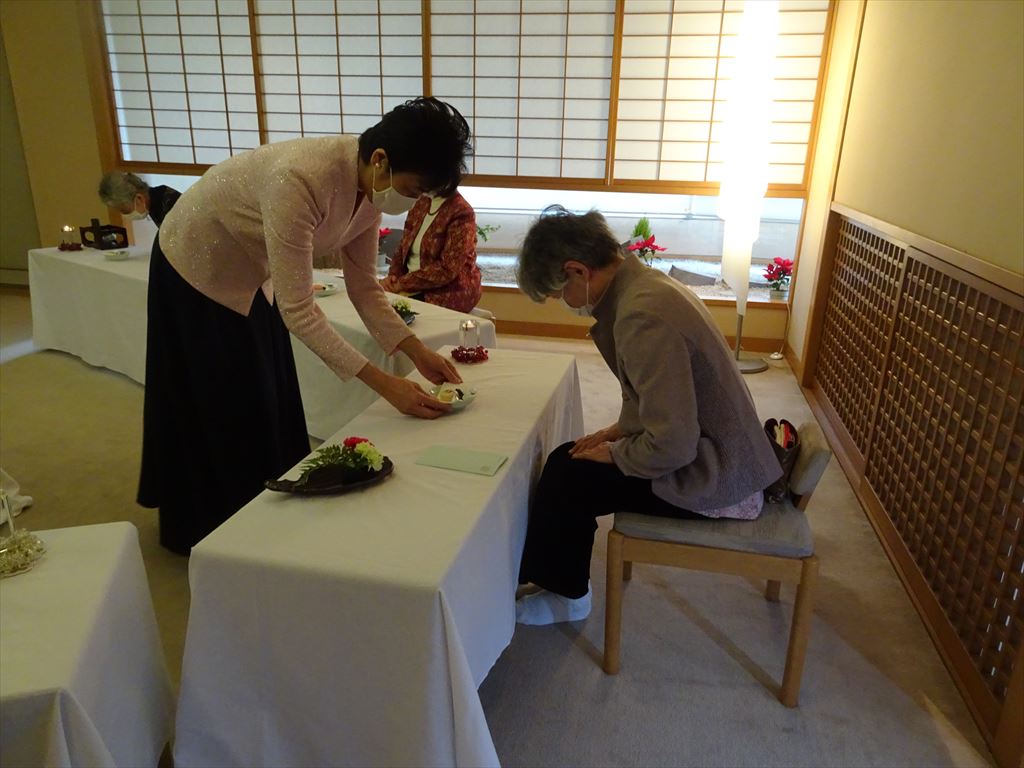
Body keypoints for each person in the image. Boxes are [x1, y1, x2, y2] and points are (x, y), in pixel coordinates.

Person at [141, 97, 472, 555]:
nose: (413, 202)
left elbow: (365, 288)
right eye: (413, 190)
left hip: (252, 271)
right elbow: (298, 311)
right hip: (195, 266)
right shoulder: (299, 179)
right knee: (221, 399)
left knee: (267, 392)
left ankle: (268, 507)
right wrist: (386, 386)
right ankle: (217, 532)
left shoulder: (371, 192)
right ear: (381, 160)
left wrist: (416, 351)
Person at [513, 206, 783, 625]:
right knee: (572, 455)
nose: (561, 303)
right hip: (728, 454)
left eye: (557, 293)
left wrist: (617, 453)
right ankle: (554, 579)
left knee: (568, 477)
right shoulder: (646, 285)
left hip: (721, 477)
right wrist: (616, 432)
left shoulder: (641, 315)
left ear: (577, 271)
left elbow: (673, 444)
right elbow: (661, 399)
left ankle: (567, 598)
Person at [379, 191, 481, 313]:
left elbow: (448, 268)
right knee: (372, 302)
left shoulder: (462, 212)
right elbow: (403, 246)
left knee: (389, 313)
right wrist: (393, 278)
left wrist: (402, 283)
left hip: (447, 290)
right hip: (409, 284)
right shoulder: (420, 202)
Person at [98, 171, 180, 226]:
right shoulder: (155, 203)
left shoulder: (168, 203)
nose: (125, 215)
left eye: (124, 210)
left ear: (139, 198)